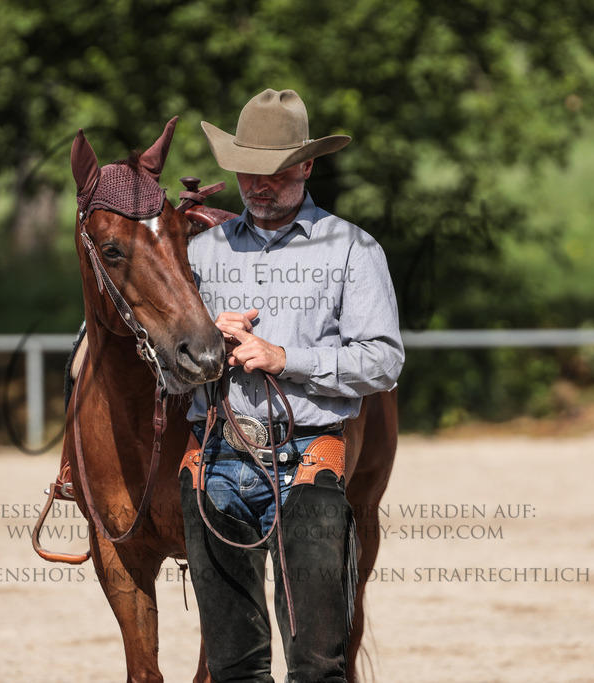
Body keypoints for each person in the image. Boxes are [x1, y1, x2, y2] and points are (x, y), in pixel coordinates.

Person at [179, 88, 404, 682]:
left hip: (310, 456)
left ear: (306, 165)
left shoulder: (353, 250)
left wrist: (286, 359)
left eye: (276, 171)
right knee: (232, 665)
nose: (259, 185)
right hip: (218, 456)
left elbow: (382, 362)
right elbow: (161, 370)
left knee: (317, 663)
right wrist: (204, 340)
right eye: (248, 170)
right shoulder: (200, 255)